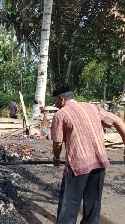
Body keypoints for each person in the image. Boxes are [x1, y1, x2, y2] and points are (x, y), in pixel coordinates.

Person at [50, 86, 125, 224]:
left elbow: (57, 143)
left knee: (70, 203)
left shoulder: (60, 115)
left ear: (62, 99)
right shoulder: (91, 107)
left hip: (78, 166)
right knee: (93, 202)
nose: (54, 104)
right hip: (99, 161)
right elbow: (118, 121)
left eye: (55, 100)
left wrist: (56, 158)